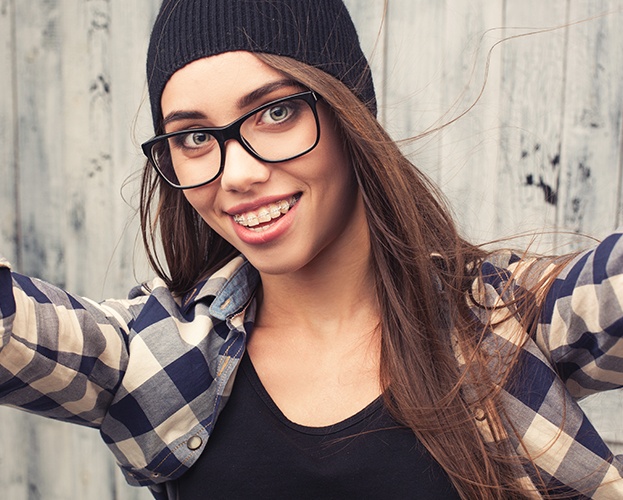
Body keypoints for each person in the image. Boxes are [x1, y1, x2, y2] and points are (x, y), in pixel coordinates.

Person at [1, 0, 622, 498]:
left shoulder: (510, 321)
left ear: (353, 116)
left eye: (275, 113)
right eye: (192, 136)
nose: (236, 174)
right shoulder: (153, 356)